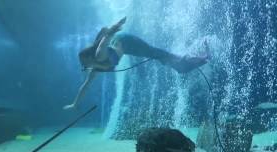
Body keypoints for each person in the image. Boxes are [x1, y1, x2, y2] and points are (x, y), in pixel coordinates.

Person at [63, 17, 210, 110]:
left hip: (125, 40)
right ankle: (187, 62)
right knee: (158, 55)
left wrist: (117, 25)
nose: (83, 65)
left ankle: (191, 59)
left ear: (89, 57)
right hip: (124, 47)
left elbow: (106, 37)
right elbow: (86, 85)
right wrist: (75, 103)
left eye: (83, 62)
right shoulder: (95, 67)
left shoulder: (99, 55)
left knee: (156, 53)